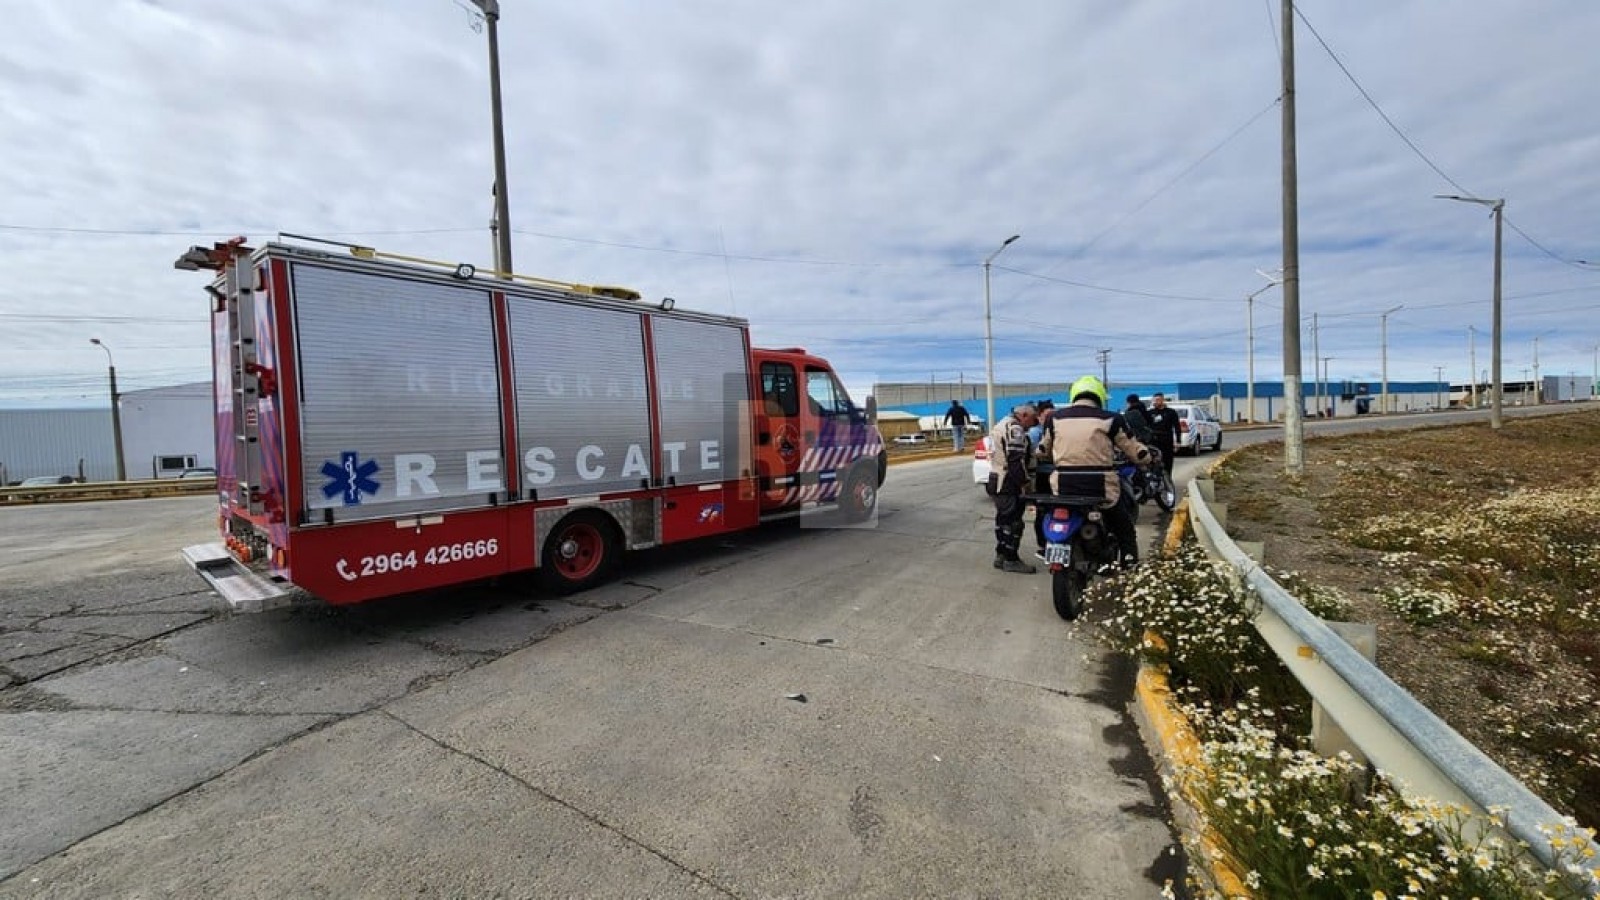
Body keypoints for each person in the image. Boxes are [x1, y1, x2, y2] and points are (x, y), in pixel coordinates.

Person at [1037, 376, 1152, 566]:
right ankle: (1129, 562)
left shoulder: (1054, 418)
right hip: (1101, 487)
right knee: (1123, 524)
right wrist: (1148, 458)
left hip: (1064, 486)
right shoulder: (1111, 419)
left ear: (1074, 395)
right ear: (1099, 395)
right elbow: (1135, 450)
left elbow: (1042, 451)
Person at [986, 403, 1038, 573]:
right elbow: (1015, 460)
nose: (1032, 423)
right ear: (1023, 415)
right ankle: (1011, 558)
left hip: (995, 478)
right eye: (1031, 419)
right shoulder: (1014, 429)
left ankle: (1000, 554)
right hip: (1008, 481)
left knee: (1002, 520)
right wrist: (1025, 483)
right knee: (1013, 523)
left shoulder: (1000, 424)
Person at [1027, 399, 1056, 555]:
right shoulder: (1035, 433)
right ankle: (1043, 544)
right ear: (1039, 417)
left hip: (1058, 475)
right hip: (1043, 475)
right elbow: (1032, 455)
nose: (1051, 417)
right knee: (1043, 511)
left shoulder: (1057, 430)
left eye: (1054, 414)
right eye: (1047, 415)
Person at [1146, 392, 1181, 478]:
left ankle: (1168, 480)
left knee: (1167, 462)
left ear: (1162, 400)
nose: (1155, 402)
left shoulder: (1171, 412)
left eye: (1158, 400)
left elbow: (1177, 427)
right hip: (1153, 441)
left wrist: (1178, 441)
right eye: (1154, 400)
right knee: (1153, 462)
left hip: (1167, 440)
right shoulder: (1149, 413)